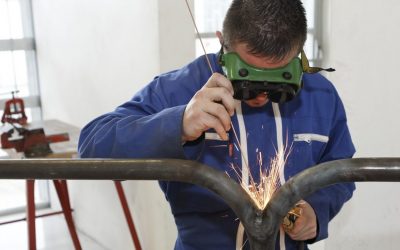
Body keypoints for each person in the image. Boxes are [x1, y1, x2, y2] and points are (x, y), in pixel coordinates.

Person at [78, 0, 355, 249]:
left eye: (277, 84)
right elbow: (92, 148)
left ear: (298, 56)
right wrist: (179, 124)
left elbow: (340, 169)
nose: (260, 96)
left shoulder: (320, 94)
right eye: (248, 81)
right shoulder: (179, 89)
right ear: (223, 43)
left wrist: (317, 211)